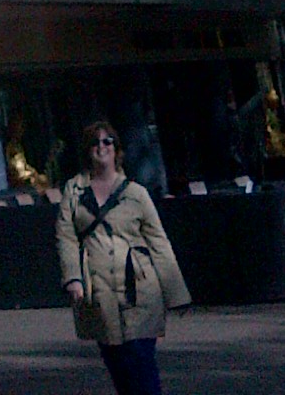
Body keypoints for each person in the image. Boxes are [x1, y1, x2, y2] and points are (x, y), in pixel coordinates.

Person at [55, 118, 190, 395]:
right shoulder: (74, 191)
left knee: (141, 361)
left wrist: (176, 294)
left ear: (117, 149)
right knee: (118, 365)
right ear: (87, 151)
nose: (101, 147)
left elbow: (159, 244)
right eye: (95, 143)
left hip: (139, 290)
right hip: (99, 292)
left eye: (108, 141)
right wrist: (73, 278)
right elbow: (65, 236)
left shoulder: (136, 193)